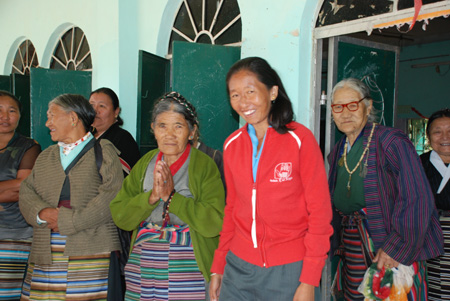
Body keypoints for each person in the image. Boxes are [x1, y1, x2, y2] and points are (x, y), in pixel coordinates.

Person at [209, 57, 333, 301]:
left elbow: (320, 213)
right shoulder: (232, 145)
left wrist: (309, 279)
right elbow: (232, 208)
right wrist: (218, 266)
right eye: (235, 95)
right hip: (238, 268)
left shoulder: (300, 140)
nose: (243, 102)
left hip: (289, 270)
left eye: (250, 92)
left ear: (273, 91)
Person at [328, 78, 444, 300]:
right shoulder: (339, 149)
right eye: (337, 107)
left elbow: (416, 197)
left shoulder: (390, 141)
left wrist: (395, 246)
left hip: (386, 240)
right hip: (353, 241)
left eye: (353, 104)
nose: (345, 113)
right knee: (358, 296)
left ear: (368, 106)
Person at [110, 91, 225, 301]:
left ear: (191, 132)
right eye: (162, 126)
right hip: (143, 265)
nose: (169, 134)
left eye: (178, 126)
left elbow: (215, 221)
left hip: (188, 267)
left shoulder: (204, 165)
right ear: (153, 129)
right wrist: (151, 197)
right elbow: (120, 214)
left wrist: (172, 197)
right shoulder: (146, 163)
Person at [19, 94, 124, 300]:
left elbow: (112, 194)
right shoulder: (46, 155)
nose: (48, 123)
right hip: (47, 246)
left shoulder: (103, 150)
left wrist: (68, 221)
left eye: (52, 116)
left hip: (92, 247)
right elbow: (26, 191)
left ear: (73, 118)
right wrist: (42, 213)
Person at [0, 91, 40, 300]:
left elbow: (21, 188)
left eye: (11, 111)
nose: (5, 117)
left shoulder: (28, 147)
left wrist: (12, 187)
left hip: (13, 236)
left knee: (7, 295)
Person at [420, 108, 450, 301]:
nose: (445, 137)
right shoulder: (417, 164)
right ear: (429, 137)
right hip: (429, 235)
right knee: (433, 288)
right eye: (437, 131)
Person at [89, 87, 141, 175]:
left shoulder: (123, 139)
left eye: (102, 106)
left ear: (116, 111)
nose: (95, 110)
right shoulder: (86, 136)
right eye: (91, 105)